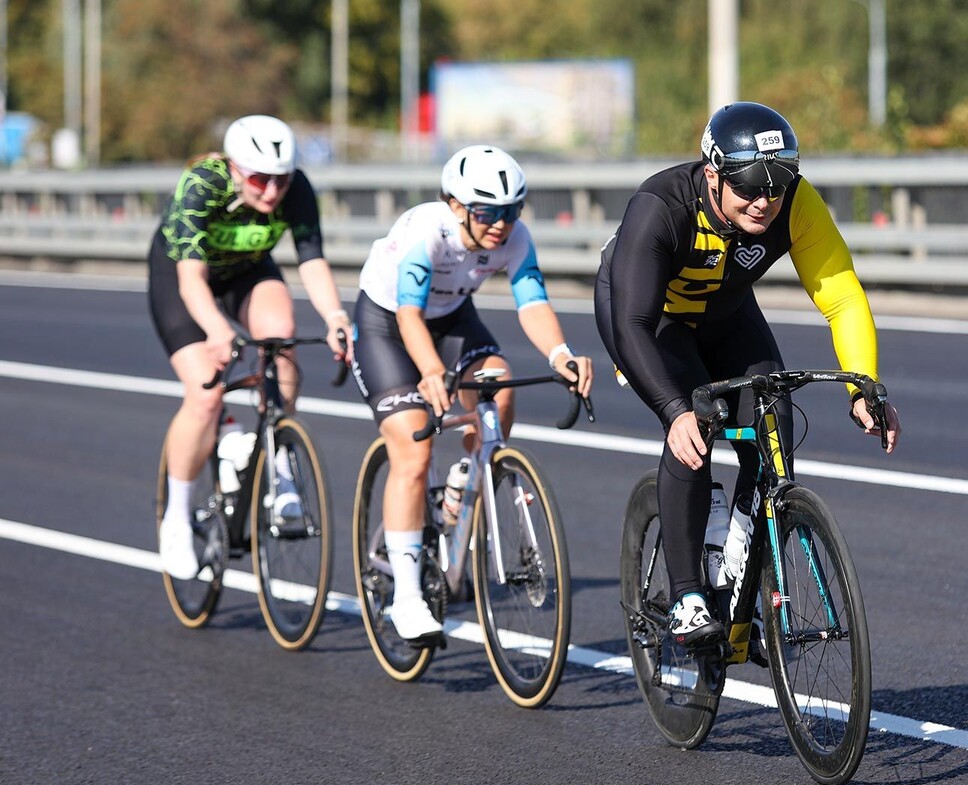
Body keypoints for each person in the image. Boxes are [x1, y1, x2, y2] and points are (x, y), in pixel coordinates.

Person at [594, 102, 901, 647]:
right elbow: (633, 323)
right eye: (748, 189)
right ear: (712, 176)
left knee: (774, 423)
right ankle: (688, 592)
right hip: (647, 320)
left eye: (777, 187)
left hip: (724, 313)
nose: (764, 202)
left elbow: (843, 298)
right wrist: (673, 410)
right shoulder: (660, 207)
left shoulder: (793, 203)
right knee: (695, 427)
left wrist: (863, 386)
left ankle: (738, 569)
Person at [351, 144, 593, 641]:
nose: (501, 224)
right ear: (456, 205)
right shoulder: (428, 232)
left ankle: (465, 476)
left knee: (498, 389)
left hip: (452, 317)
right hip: (389, 322)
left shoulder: (515, 237)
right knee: (412, 448)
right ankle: (408, 596)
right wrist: (432, 370)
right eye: (488, 213)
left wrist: (560, 355)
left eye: (513, 211)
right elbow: (408, 315)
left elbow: (533, 302)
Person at [150, 114, 352, 580]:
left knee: (280, 336)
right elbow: (191, 280)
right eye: (260, 180)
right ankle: (176, 518)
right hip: (184, 276)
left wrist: (336, 317)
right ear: (236, 170)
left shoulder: (295, 187)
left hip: (247, 273)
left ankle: (279, 455)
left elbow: (312, 261)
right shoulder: (202, 185)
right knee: (204, 393)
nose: (272, 192)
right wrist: (216, 330)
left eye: (281, 180)